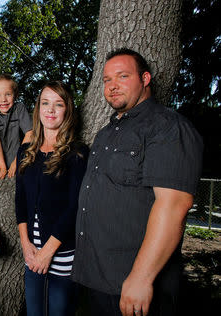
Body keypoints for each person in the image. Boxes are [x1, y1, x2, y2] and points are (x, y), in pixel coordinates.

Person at [72, 48, 203, 316]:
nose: (113, 86)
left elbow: (174, 204)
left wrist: (141, 278)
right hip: (96, 280)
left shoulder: (167, 127)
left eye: (123, 76)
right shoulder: (105, 134)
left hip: (133, 286)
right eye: (107, 80)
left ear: (145, 78)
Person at [15, 81, 88, 316]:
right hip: (31, 252)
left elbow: (75, 205)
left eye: (58, 104)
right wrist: (26, 244)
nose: (50, 110)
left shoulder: (77, 152)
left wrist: (48, 251)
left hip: (61, 251)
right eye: (45, 103)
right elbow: (20, 199)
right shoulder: (26, 151)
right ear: (38, 109)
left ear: (67, 111)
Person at [0, 74, 33, 186]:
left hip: (19, 158)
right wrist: (2, 168)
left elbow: (30, 133)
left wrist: (17, 160)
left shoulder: (19, 108)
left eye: (8, 94)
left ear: (15, 95)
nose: (3, 99)